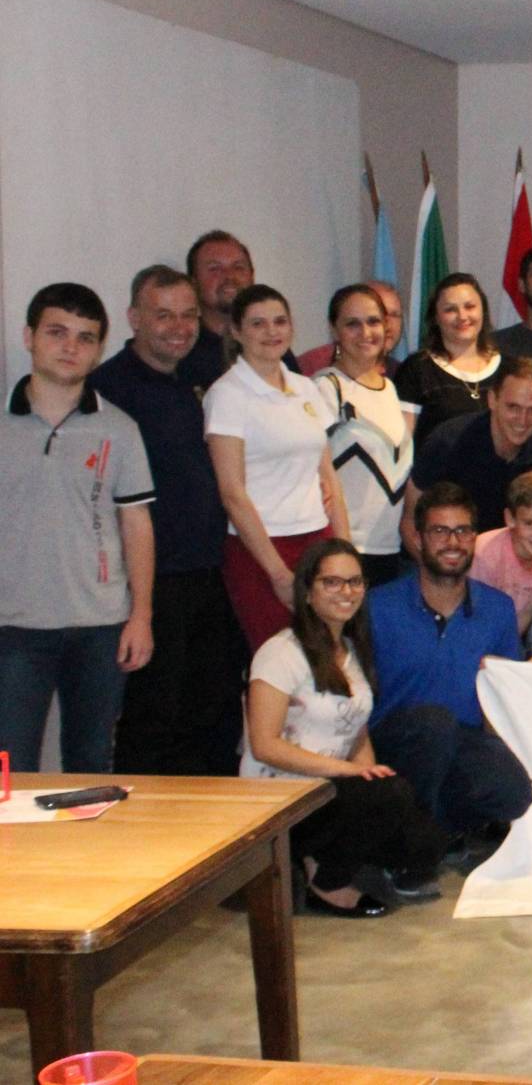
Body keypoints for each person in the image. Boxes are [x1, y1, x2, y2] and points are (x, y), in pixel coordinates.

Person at [242, 538, 446, 916]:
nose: (346, 592)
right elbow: (264, 745)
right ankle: (325, 882)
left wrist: (368, 776)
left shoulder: (351, 652)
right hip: (285, 794)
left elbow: (357, 728)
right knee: (392, 798)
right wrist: (350, 774)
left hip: (331, 787)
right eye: (332, 582)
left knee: (426, 845)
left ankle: (326, 855)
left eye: (354, 582)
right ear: (307, 592)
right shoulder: (280, 653)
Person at [0, 283, 155, 774]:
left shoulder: (120, 429)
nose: (71, 347)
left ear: (98, 349)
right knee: (9, 768)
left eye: (85, 337)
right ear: (29, 337)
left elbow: (136, 524)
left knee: (90, 766)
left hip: (101, 626)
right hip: (14, 626)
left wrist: (141, 616)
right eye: (57, 332)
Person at [92, 267, 241, 776]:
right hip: (150, 583)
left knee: (212, 714)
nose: (179, 327)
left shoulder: (202, 377)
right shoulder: (108, 390)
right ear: (134, 318)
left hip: (210, 572)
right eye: (164, 315)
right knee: (152, 720)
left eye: (188, 315)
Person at [366, 484, 532, 846]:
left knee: (513, 791)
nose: (452, 542)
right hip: (397, 741)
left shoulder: (499, 609)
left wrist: (501, 753)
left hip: (462, 739)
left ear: (474, 537)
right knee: (433, 724)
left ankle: (437, 831)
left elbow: (504, 694)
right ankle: (414, 842)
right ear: (418, 538)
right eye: (440, 531)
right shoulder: (377, 606)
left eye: (462, 530)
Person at [208, 285, 348, 652]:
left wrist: (345, 551)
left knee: (328, 656)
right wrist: (277, 573)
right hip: (261, 550)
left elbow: (328, 476)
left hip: (316, 540)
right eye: (258, 324)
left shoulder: (305, 388)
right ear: (236, 332)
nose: (272, 332)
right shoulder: (227, 394)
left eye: (279, 321)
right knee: (280, 662)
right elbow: (232, 493)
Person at [314, 284, 415, 587]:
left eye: (373, 321)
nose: (366, 332)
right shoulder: (326, 388)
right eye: (352, 324)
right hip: (343, 551)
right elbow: (313, 474)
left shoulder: (390, 389)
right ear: (334, 330)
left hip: (390, 552)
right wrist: (343, 551)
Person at [403, 356, 532, 548]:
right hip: (444, 557)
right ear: (492, 400)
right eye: (513, 407)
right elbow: (410, 523)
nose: (522, 419)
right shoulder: (447, 443)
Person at [395, 273, 504, 449]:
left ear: (483, 311)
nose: (462, 316)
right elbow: (402, 444)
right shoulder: (416, 369)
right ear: (436, 318)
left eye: (470, 306)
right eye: (450, 310)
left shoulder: (508, 368)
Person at [180, 230, 296, 388]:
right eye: (215, 269)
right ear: (193, 281)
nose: (229, 276)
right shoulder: (183, 347)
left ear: (252, 276)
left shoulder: (270, 342)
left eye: (238, 267)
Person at [471, 469, 532, 641]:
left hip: (507, 632)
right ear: (510, 519)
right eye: (530, 523)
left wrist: (507, 648)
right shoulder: (484, 553)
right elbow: (473, 615)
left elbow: (527, 611)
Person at [298, 279, 404, 376]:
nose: (388, 324)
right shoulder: (313, 366)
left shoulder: (401, 373)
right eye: (353, 323)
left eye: (394, 315)